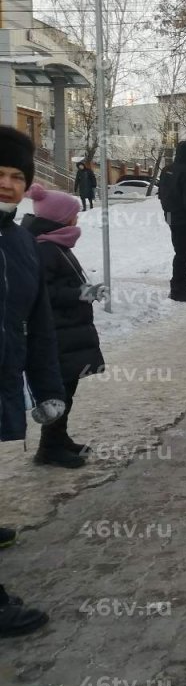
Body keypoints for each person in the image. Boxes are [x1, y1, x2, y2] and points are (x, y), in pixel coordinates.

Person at [0, 127, 66, 637]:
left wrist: (48, 388)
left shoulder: (20, 241)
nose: (6, 183)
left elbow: (39, 321)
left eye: (16, 176)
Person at [21, 184, 107, 469]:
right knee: (58, 392)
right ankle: (48, 448)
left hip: (66, 331)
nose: (77, 220)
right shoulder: (46, 249)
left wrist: (84, 290)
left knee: (66, 390)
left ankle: (58, 439)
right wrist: (81, 293)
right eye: (73, 215)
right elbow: (42, 294)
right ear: (60, 219)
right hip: (56, 334)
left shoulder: (56, 244)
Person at [157, 140, 186, 303]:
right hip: (185, 220)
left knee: (180, 252)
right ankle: (178, 289)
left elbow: (161, 195)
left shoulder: (167, 170)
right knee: (184, 254)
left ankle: (182, 285)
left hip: (170, 216)